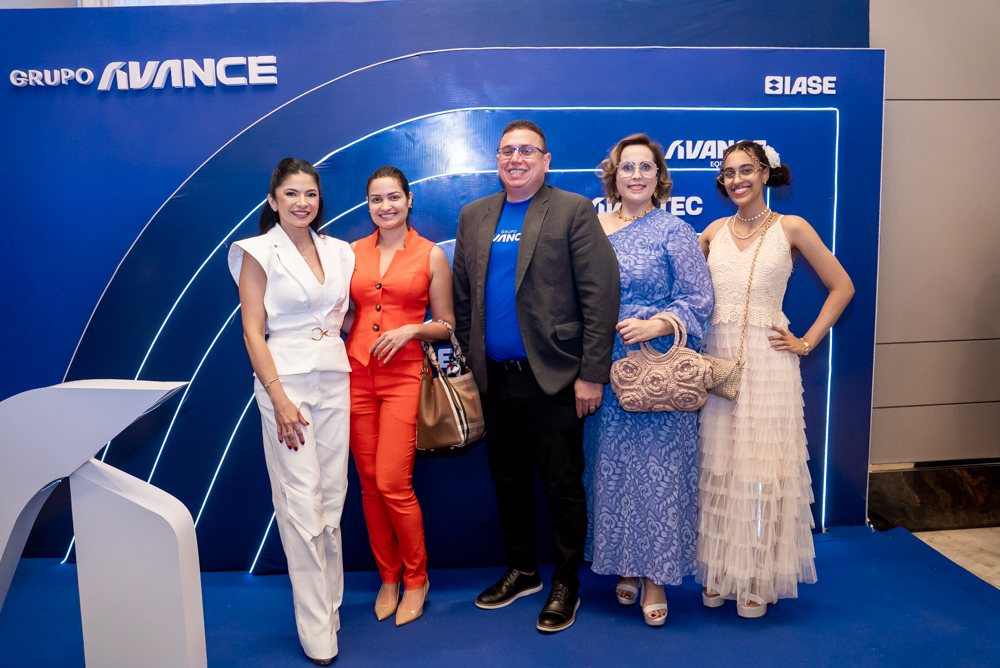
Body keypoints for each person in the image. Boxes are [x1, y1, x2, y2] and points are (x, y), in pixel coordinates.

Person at [452, 120, 620, 632]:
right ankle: (523, 571)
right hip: (495, 380)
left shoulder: (572, 210)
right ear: (497, 159)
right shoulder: (475, 215)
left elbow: (600, 294)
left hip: (555, 377)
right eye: (507, 150)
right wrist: (470, 367)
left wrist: (591, 375)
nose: (516, 159)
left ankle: (566, 580)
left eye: (527, 150)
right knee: (508, 481)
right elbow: (463, 297)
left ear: (546, 160)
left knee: (563, 484)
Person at [697, 141, 854, 618]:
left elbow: (843, 286)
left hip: (768, 363)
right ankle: (720, 572)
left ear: (766, 173)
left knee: (761, 473)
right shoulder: (712, 231)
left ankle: (756, 577)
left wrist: (806, 342)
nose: (737, 179)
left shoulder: (792, 227)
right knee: (720, 467)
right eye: (728, 173)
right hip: (719, 362)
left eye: (746, 170)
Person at [583, 134, 714, 626]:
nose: (636, 175)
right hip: (605, 367)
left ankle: (655, 577)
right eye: (627, 167)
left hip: (658, 370)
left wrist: (657, 324)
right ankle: (624, 565)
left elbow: (699, 298)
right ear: (613, 176)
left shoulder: (675, 231)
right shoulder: (592, 228)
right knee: (611, 471)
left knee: (659, 475)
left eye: (645, 167)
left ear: (659, 177)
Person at [228, 158, 354, 665]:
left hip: (335, 377)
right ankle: (316, 627)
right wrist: (277, 396)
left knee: (333, 499)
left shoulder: (340, 250)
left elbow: (347, 315)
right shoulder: (257, 251)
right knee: (302, 502)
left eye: (311, 194)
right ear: (273, 199)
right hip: (285, 386)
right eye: (292, 194)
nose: (303, 202)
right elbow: (252, 331)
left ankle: (331, 605)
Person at [346, 166, 454, 627]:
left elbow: (446, 326)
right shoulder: (351, 253)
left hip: (405, 378)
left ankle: (416, 579)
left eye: (393, 197)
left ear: (409, 200)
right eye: (376, 199)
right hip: (356, 376)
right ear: (368, 205)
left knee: (393, 483)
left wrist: (412, 329)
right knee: (369, 485)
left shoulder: (431, 255)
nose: (385, 206)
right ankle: (387, 578)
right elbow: (345, 314)